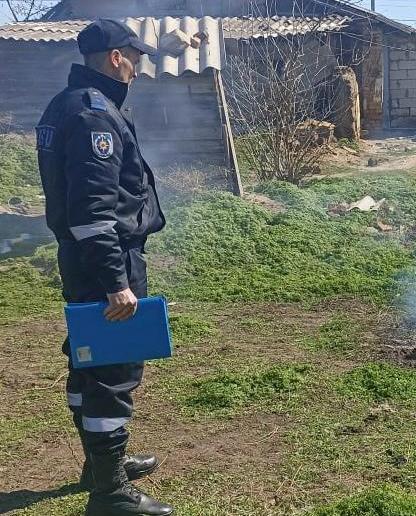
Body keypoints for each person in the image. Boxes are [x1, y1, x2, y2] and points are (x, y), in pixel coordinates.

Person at [36, 20, 172, 516]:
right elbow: (93, 211)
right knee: (113, 370)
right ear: (116, 58)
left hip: (82, 257)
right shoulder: (95, 116)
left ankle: (99, 467)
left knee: (88, 361)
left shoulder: (65, 104)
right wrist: (116, 282)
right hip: (105, 258)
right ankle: (110, 492)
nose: (137, 67)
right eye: (134, 57)